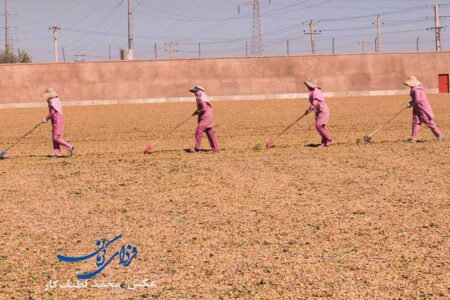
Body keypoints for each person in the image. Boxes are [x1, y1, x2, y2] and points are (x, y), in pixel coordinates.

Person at [403, 76, 445, 143]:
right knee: (415, 123)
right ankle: (413, 138)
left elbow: (417, 100)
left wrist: (410, 104)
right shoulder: (415, 89)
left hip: (422, 109)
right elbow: (416, 100)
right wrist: (410, 103)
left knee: (430, 123)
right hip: (417, 109)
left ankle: (440, 136)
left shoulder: (416, 90)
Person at [42, 88, 76, 158]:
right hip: (56, 120)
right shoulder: (55, 100)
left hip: (57, 120)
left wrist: (46, 119)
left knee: (56, 137)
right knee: (54, 138)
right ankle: (58, 154)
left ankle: (71, 147)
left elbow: (52, 112)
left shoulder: (52, 101)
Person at [189, 86, 219, 152]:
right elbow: (201, 108)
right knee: (209, 132)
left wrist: (198, 112)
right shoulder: (199, 97)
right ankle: (215, 148)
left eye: (195, 91)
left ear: (200, 91)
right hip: (205, 116)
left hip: (206, 117)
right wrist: (196, 111)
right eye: (194, 92)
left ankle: (197, 148)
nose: (194, 93)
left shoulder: (202, 97)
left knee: (199, 130)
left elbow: (204, 108)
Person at [304, 79, 333, 147]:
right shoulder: (314, 91)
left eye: (307, 85)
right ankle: (324, 142)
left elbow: (315, 103)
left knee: (319, 126)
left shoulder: (315, 91)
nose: (307, 86)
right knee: (321, 126)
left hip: (322, 110)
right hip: (318, 110)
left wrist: (308, 110)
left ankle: (329, 139)